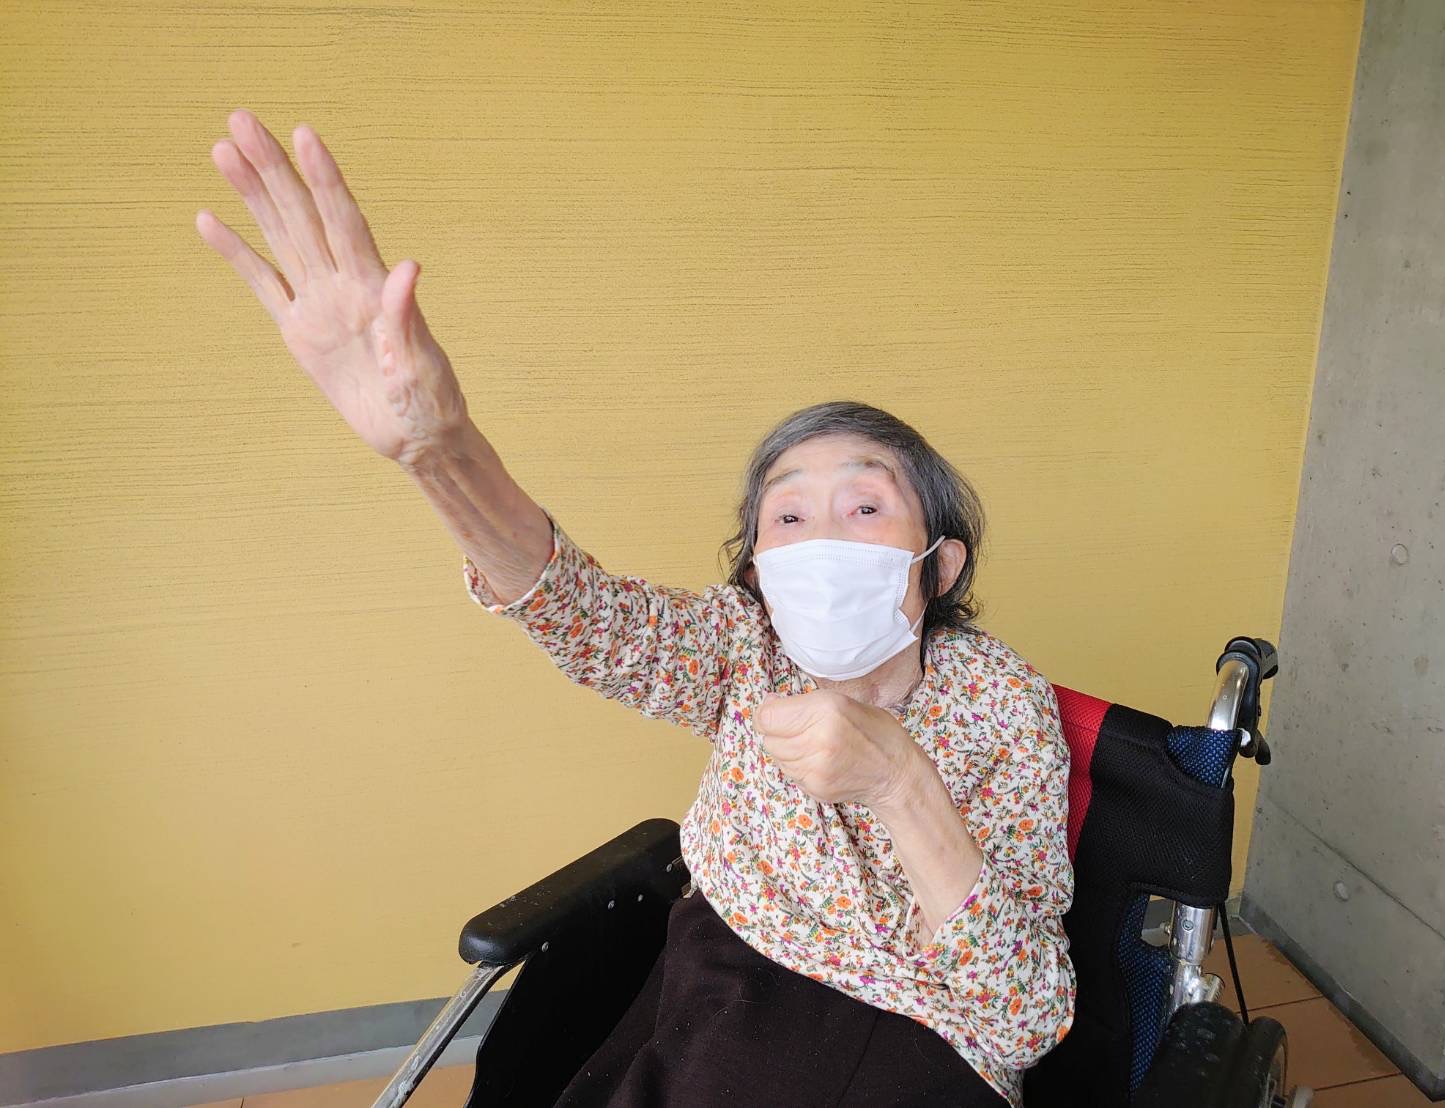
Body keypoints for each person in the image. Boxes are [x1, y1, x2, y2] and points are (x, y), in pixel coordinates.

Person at [196, 109, 1075, 1107]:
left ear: (940, 563)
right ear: (758, 573)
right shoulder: (742, 648)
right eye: (788, 516)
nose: (821, 539)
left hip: (901, 1032)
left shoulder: (1003, 703)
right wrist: (441, 455)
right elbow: (579, 612)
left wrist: (900, 782)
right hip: (713, 973)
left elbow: (1026, 1015)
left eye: (865, 506)